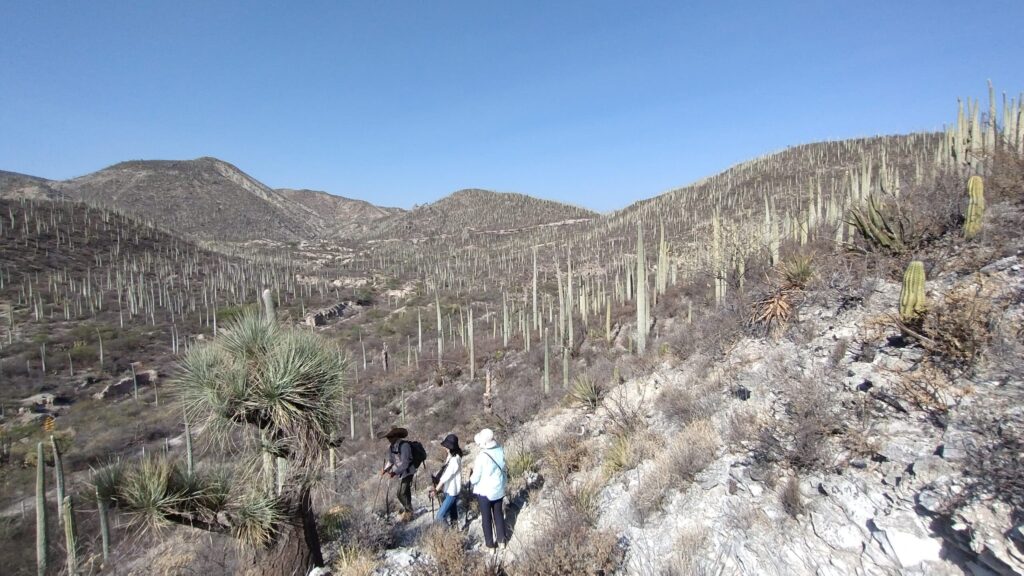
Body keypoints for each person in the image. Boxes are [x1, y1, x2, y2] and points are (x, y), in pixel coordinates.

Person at [469, 428, 507, 549]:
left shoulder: (481, 456)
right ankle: (502, 541)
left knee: (486, 518)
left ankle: (490, 546)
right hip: (498, 489)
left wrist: (470, 477)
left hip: (484, 491)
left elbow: (475, 479)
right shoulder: (500, 450)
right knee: (498, 514)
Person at [381, 427, 417, 521]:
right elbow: (391, 460)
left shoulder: (405, 446)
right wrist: (385, 469)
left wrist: (394, 472)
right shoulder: (392, 447)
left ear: (396, 436)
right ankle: (409, 511)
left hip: (408, 471)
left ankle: (409, 511)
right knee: (405, 492)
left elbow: (405, 463)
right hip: (401, 472)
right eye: (388, 437)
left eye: (391, 436)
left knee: (400, 493)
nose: (389, 439)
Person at [434, 433, 463, 526]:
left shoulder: (455, 460)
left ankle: (449, 536)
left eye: (446, 446)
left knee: (440, 516)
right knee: (453, 514)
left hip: (452, 492)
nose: (445, 448)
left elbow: (446, 475)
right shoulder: (451, 456)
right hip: (449, 490)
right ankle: (455, 533)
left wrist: (436, 489)